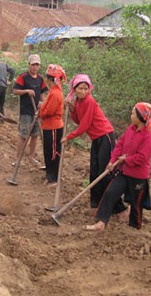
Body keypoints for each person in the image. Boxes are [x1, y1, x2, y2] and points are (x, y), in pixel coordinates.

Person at [85, 102, 151, 230]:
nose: (131, 116)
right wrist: (112, 161)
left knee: (136, 204)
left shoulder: (149, 137)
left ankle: (135, 228)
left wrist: (127, 159)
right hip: (124, 172)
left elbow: (142, 157)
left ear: (141, 118)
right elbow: (119, 146)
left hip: (138, 175)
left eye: (133, 114)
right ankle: (101, 222)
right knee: (110, 193)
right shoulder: (130, 129)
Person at [60, 74, 115, 209]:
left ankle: (116, 206)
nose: (83, 91)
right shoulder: (79, 102)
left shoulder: (89, 101)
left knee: (104, 172)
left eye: (86, 88)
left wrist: (68, 137)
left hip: (105, 136)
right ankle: (96, 203)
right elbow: (79, 120)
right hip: (96, 139)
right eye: (80, 88)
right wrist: (73, 109)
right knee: (94, 171)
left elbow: (84, 125)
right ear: (75, 89)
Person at [12, 54, 48, 166]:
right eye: (33, 64)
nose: (35, 67)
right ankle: (18, 159)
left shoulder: (40, 78)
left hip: (36, 111)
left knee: (35, 135)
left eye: (37, 65)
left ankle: (31, 157)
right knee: (23, 135)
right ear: (29, 65)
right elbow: (15, 91)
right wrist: (26, 91)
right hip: (26, 111)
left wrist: (44, 105)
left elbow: (42, 93)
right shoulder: (23, 77)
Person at [39, 64, 66, 187]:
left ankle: (54, 178)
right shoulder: (53, 91)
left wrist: (41, 111)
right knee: (48, 151)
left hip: (54, 127)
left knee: (54, 153)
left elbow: (49, 111)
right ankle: (50, 177)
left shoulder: (55, 93)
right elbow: (46, 107)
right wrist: (43, 108)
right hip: (48, 126)